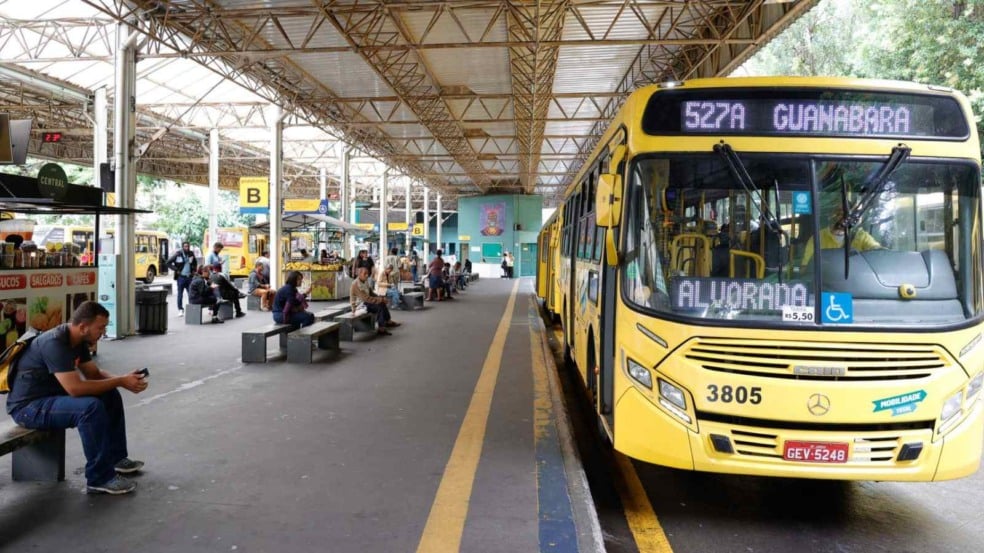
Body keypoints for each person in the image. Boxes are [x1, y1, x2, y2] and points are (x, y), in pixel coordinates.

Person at [5, 301, 148, 495]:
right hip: (27, 408)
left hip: (51, 397)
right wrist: (121, 381)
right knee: (90, 408)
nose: (103, 332)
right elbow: (75, 389)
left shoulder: (77, 340)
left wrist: (124, 379)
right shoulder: (54, 343)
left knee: (109, 394)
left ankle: (116, 458)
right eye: (100, 328)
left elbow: (94, 374)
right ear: (83, 327)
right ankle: (99, 478)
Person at [800, 205, 882, 268]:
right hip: (825, 282)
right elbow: (805, 267)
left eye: (846, 214)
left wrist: (876, 250)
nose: (843, 218)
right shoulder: (817, 238)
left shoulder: (861, 236)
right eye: (839, 213)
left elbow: (878, 252)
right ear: (831, 216)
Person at [350, 267, 400, 336]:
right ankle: (381, 328)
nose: (367, 275)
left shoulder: (365, 281)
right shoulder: (355, 284)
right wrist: (380, 300)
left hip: (366, 303)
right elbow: (366, 298)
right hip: (359, 306)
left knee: (381, 303)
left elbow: (371, 293)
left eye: (367, 273)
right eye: (365, 274)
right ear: (359, 274)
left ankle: (387, 321)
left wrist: (381, 298)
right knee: (379, 305)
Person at [166, 241, 197, 318]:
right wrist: (176, 269)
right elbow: (168, 262)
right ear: (182, 247)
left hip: (189, 277)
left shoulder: (191, 253)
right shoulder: (178, 254)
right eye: (185, 246)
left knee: (191, 293)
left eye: (188, 246)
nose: (187, 248)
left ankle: (191, 308)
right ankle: (180, 309)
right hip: (181, 277)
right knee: (180, 294)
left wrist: (193, 271)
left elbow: (195, 263)